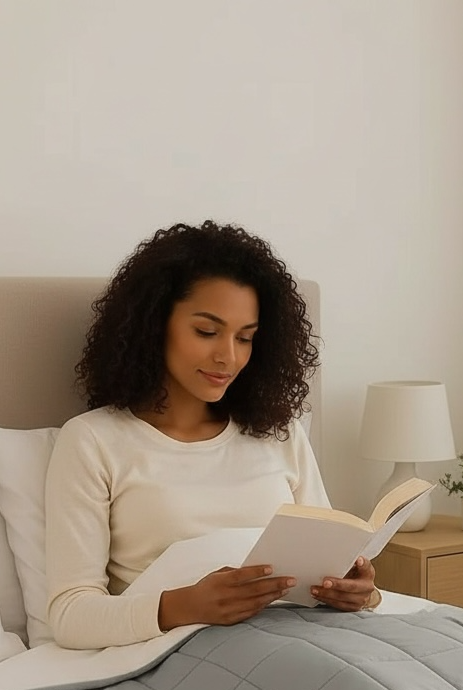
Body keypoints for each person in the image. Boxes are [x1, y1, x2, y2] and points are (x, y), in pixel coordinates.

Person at [45, 221, 379, 649]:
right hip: (196, 656)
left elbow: (329, 564)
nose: (228, 357)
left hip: (312, 640)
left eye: (246, 338)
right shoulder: (94, 441)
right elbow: (71, 616)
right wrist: (184, 606)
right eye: (206, 332)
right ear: (154, 323)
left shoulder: (278, 433)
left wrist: (359, 592)